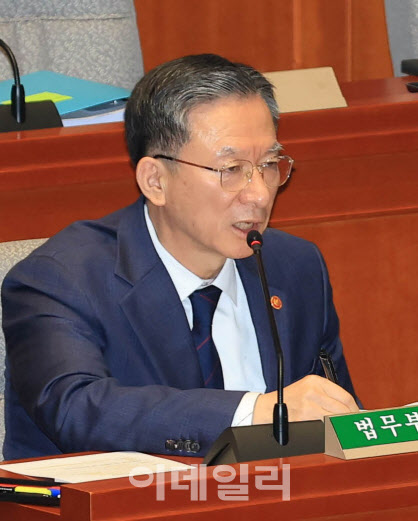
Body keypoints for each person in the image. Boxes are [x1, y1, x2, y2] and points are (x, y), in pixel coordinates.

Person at [2, 54, 359, 460]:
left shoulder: (295, 266)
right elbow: (76, 409)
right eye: (232, 168)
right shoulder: (61, 279)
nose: (260, 194)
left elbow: (335, 422)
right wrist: (253, 412)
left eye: (268, 164)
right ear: (156, 181)